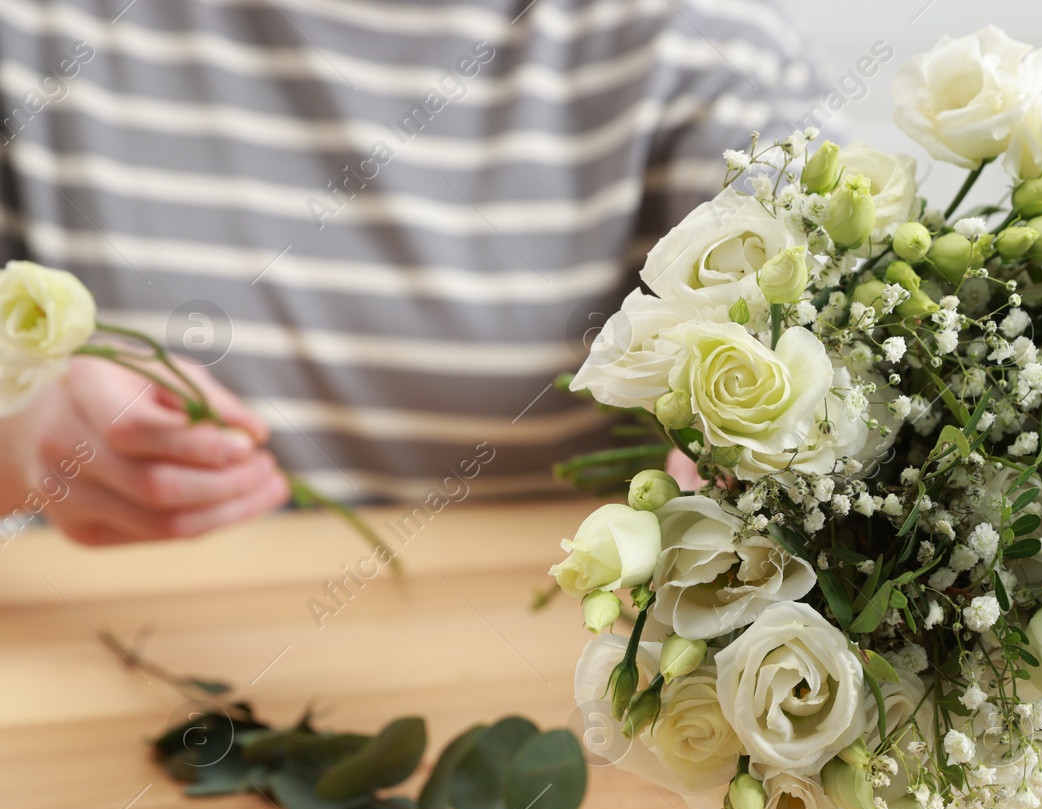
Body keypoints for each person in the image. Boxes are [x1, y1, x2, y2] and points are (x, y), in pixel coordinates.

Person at [0, 0, 827, 545]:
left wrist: (760, 474)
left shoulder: (715, 48)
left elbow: (838, 380)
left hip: (562, 712)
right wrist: (20, 434)